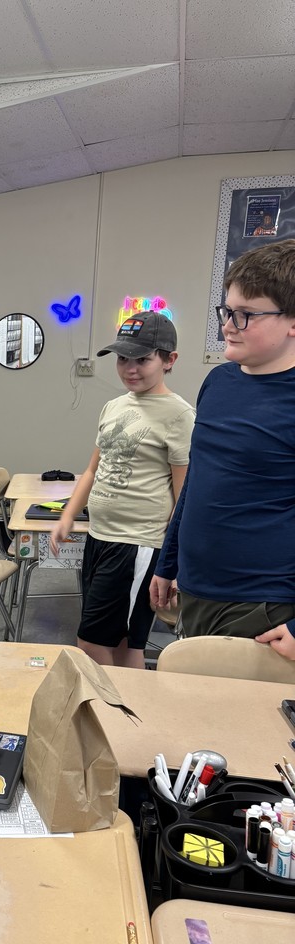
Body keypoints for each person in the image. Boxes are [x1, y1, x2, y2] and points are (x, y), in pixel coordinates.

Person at [150, 239, 295, 660]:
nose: (227, 325)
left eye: (245, 315)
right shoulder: (220, 382)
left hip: (262, 604)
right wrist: (169, 560)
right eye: (227, 311)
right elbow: (197, 482)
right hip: (197, 589)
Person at [50, 311, 194, 669]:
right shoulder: (114, 406)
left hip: (138, 544)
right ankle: (133, 719)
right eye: (123, 359)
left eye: (143, 359)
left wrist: (174, 560)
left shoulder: (179, 416)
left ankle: (113, 711)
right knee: (125, 643)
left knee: (90, 641)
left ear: (169, 360)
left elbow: (184, 497)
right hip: (100, 537)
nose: (131, 368)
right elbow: (92, 469)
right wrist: (68, 516)